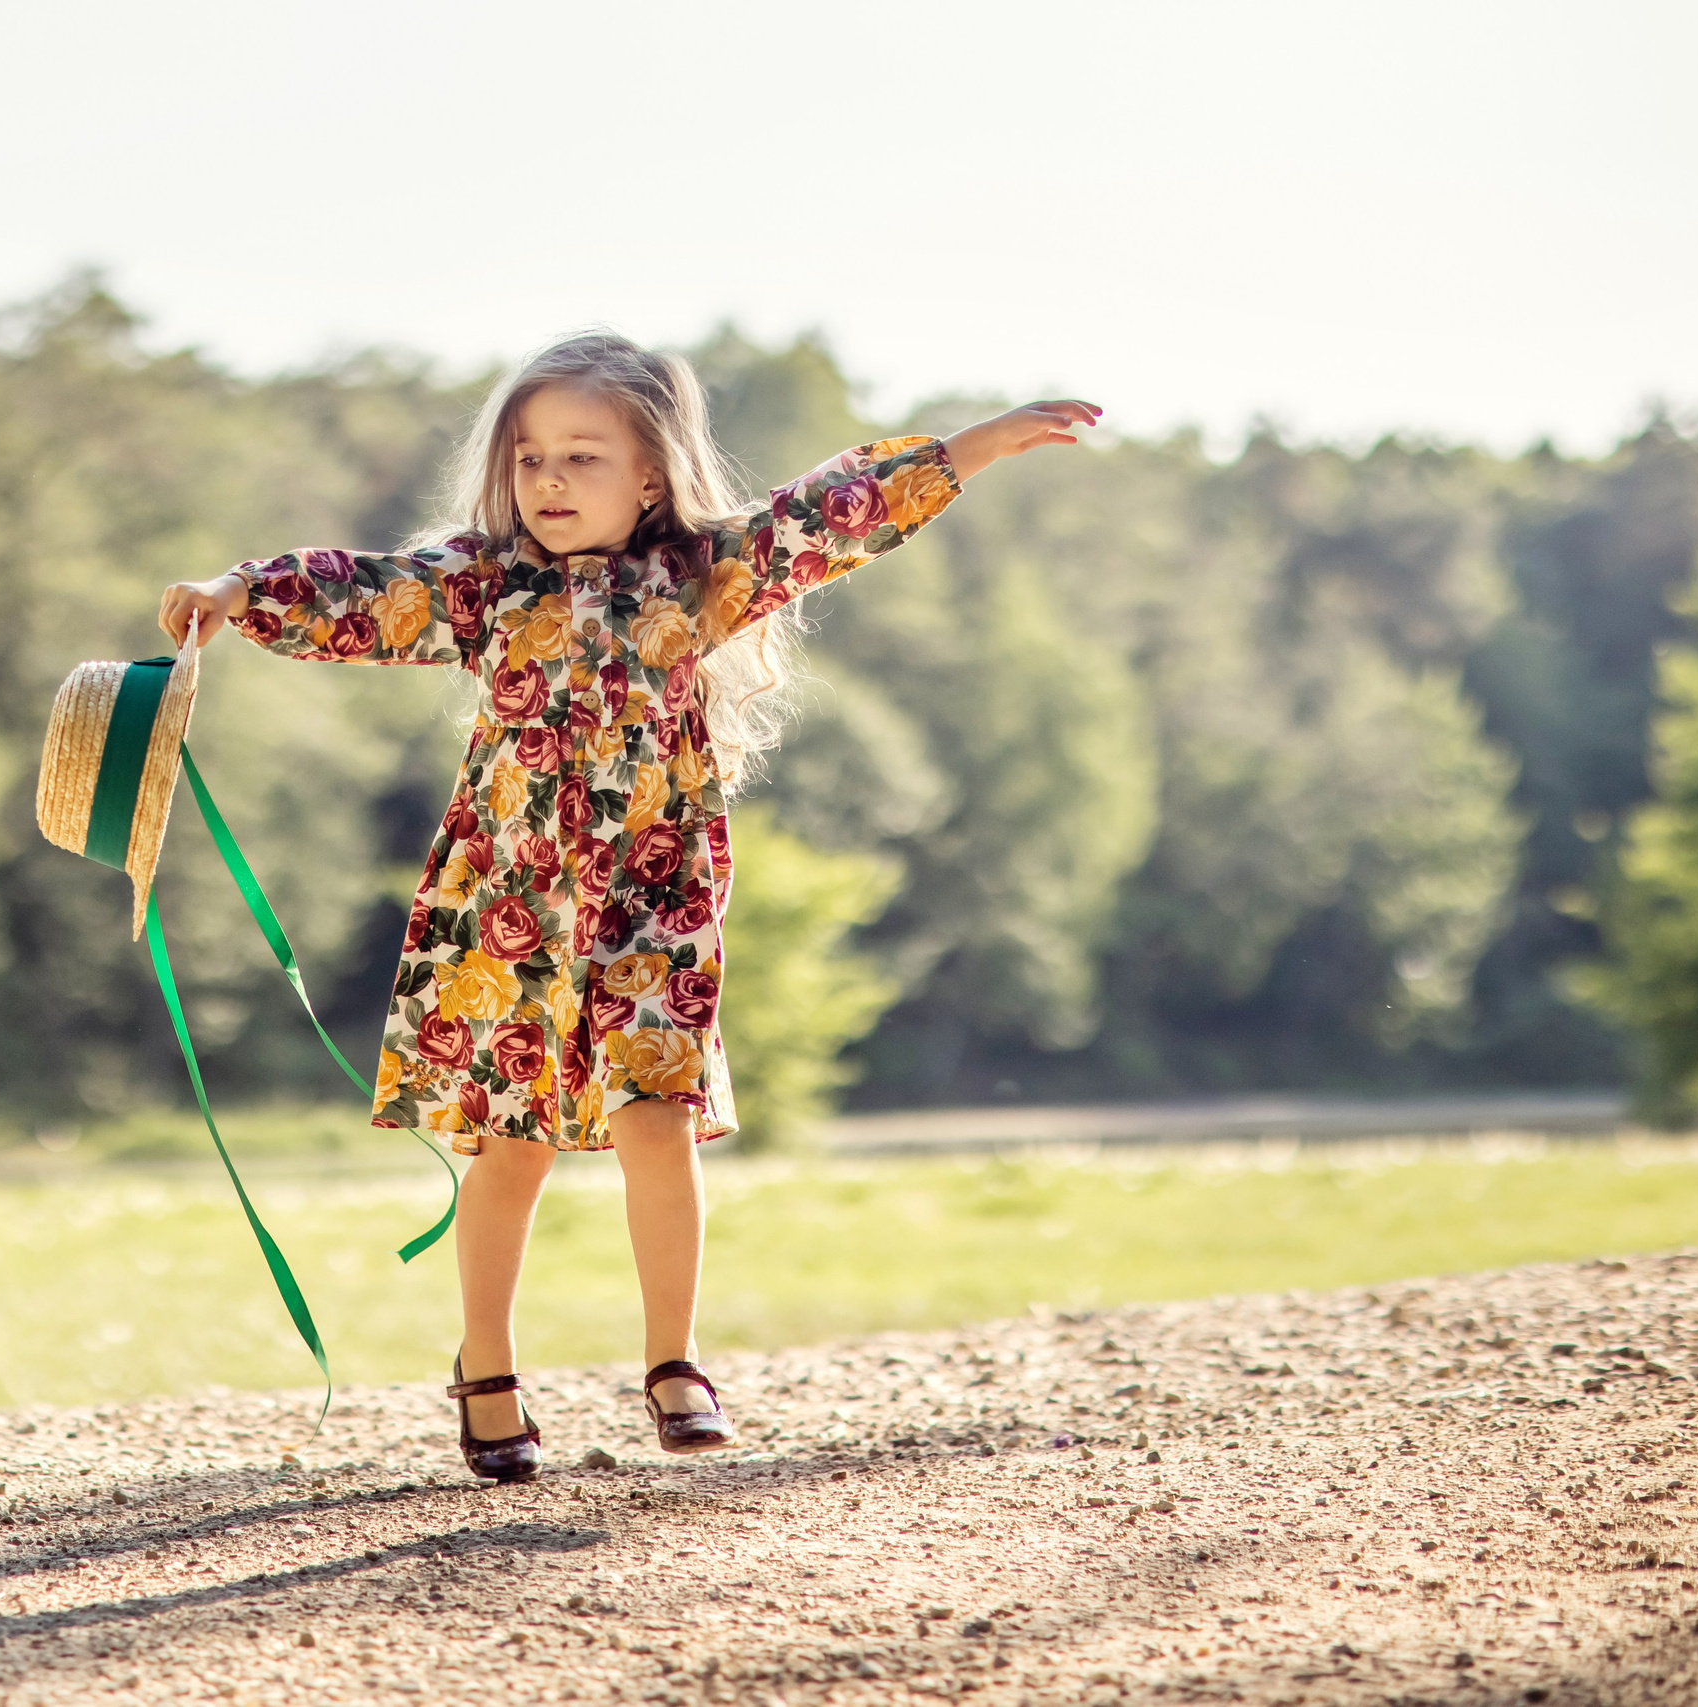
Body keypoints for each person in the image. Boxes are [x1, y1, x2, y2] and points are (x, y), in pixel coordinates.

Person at [160, 332, 1096, 1481]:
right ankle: (486, 1366)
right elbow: (362, 589)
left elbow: (828, 514)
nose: (548, 482)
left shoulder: (704, 574)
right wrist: (235, 596)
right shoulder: (482, 585)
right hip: (507, 902)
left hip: (656, 893)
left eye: (581, 458)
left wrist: (976, 447)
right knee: (510, 1143)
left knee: (657, 1116)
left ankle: (673, 1360)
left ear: (651, 473)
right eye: (530, 458)